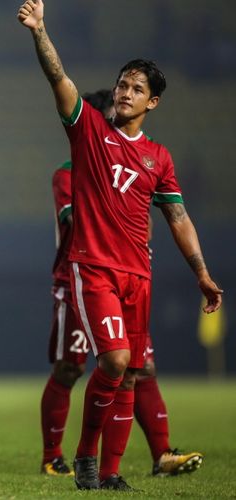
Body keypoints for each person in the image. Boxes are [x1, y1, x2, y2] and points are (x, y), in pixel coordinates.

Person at [18, 0, 223, 490]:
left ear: (152, 102)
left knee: (132, 373)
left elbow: (178, 217)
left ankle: (109, 473)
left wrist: (201, 272)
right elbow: (59, 78)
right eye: (122, 85)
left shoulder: (158, 158)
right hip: (95, 269)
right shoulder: (88, 131)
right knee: (113, 361)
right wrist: (40, 31)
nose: (125, 93)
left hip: (140, 276)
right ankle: (85, 458)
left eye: (137, 89)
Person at [40, 90, 204, 479]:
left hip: (127, 277)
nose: (117, 122)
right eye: (110, 116)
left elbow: (156, 220)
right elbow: (75, 220)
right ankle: (54, 456)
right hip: (80, 277)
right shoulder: (68, 172)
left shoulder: (138, 161)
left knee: (139, 366)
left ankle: (159, 455)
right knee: (71, 367)